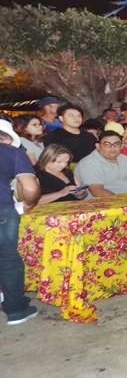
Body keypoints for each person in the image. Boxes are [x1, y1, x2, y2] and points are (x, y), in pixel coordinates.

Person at [0, 119, 41, 325]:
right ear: (6, 138)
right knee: (7, 260)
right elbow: (31, 187)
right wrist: (25, 206)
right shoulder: (11, 152)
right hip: (2, 209)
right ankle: (16, 310)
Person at [75, 130, 127, 197]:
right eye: (107, 144)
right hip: (113, 206)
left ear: (122, 146)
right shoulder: (89, 163)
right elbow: (97, 191)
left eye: (117, 144)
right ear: (98, 146)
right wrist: (125, 203)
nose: (113, 148)